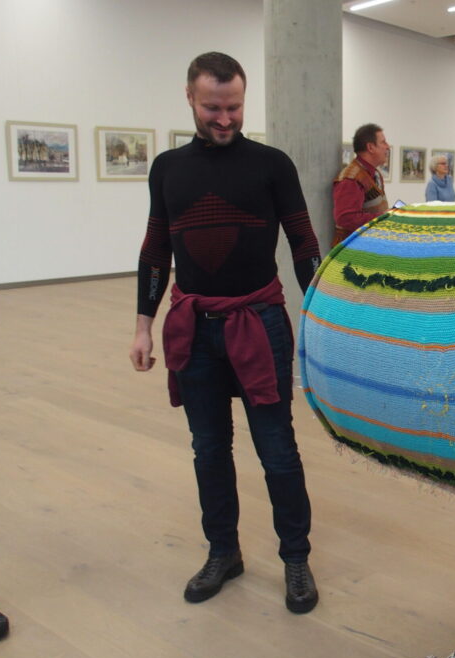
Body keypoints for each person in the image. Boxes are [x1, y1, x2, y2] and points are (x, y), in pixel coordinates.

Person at [129, 52, 321, 614]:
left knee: (277, 450)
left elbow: (304, 242)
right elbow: (155, 250)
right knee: (209, 449)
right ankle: (223, 552)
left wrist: (324, 315)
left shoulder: (272, 164)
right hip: (194, 330)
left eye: (234, 107)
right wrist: (143, 326)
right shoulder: (167, 168)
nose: (225, 118)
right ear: (190, 97)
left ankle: (296, 558)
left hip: (259, 323)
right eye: (213, 107)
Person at [332, 123, 391, 245]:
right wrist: (383, 217)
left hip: (367, 246)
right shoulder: (351, 178)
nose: (387, 146)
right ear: (370, 147)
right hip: (352, 250)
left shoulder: (375, 174)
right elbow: (346, 219)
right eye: (383, 142)